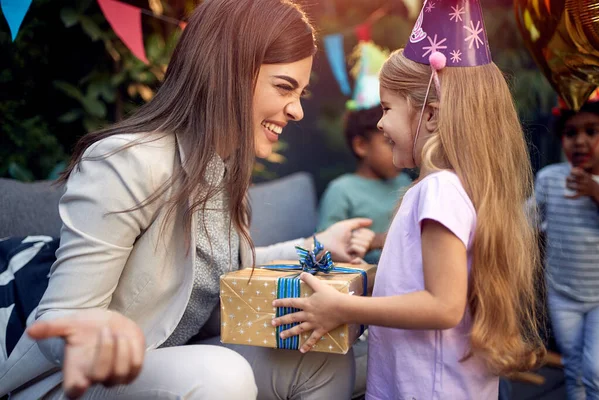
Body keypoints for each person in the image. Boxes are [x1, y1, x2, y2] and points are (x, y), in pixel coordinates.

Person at [0, 0, 375, 399]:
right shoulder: (127, 161)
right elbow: (61, 318)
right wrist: (94, 334)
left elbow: (226, 269)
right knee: (221, 375)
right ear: (227, 73)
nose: (297, 110)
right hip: (79, 380)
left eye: (300, 92)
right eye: (284, 87)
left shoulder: (223, 167)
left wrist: (319, 245)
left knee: (319, 353)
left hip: (167, 360)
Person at [273, 1, 546, 399]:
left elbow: (442, 306)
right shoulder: (459, 188)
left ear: (430, 115)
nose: (380, 122)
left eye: (386, 108)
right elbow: (421, 283)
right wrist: (364, 277)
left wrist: (344, 308)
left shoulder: (437, 190)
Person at [318, 42, 412, 264]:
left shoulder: (404, 182)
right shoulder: (342, 191)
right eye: (389, 142)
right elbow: (323, 249)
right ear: (361, 145)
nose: (398, 147)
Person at [534, 90, 599, 399]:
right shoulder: (549, 178)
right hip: (562, 291)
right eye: (571, 133)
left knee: (595, 369)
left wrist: (594, 192)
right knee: (573, 367)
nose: (580, 141)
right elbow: (529, 219)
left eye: (592, 131)